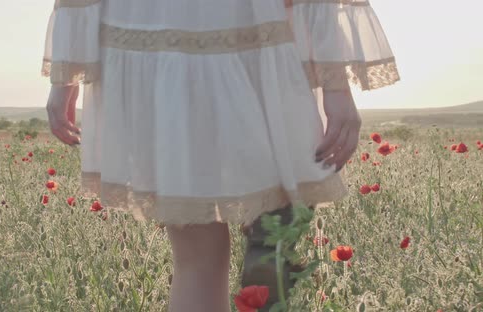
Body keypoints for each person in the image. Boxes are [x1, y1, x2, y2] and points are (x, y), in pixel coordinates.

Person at [43, 0, 400, 311]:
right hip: (228, 30)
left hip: (152, 33)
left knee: (206, 255)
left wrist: (65, 72)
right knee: (236, 243)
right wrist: (334, 81)